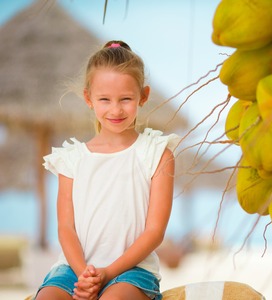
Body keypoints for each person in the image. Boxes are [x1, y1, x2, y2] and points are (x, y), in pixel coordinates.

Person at [33, 40, 180, 300]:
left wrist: (107, 272)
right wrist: (84, 275)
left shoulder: (157, 154)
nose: (115, 109)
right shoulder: (71, 159)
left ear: (143, 96)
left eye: (125, 99)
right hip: (73, 269)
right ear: (89, 98)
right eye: (104, 99)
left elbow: (155, 232)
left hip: (132, 271)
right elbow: (66, 228)